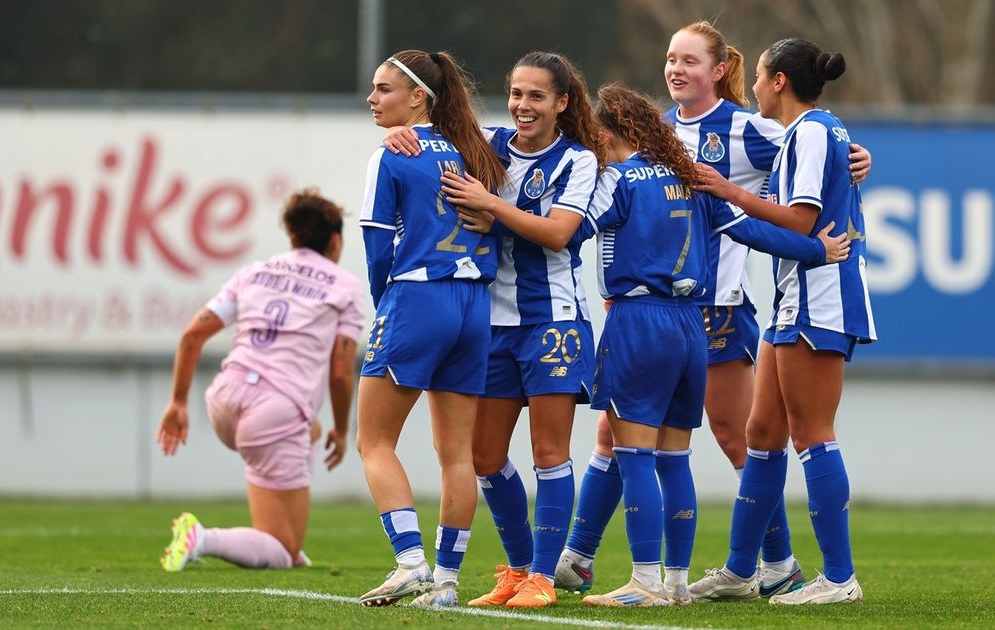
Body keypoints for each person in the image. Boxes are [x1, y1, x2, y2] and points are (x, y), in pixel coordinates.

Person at [556, 20, 872, 599]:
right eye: (671, 60)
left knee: (726, 435)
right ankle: (579, 556)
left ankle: (770, 563)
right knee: (624, 432)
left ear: (720, 69)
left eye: (690, 61)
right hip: (671, 311)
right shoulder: (660, 136)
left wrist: (856, 159)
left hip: (717, 306)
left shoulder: (752, 128)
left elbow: (819, 161)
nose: (676, 70)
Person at [387, 51, 604, 609]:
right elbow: (428, 133)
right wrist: (398, 137)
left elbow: (558, 234)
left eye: (536, 96)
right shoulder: (486, 142)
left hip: (553, 319)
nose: (522, 105)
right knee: (483, 454)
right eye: (515, 93)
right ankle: (517, 569)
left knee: (549, 452)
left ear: (562, 103)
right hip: (490, 321)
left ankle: (545, 578)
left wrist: (489, 204)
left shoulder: (577, 161)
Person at [686, 37, 876, 606]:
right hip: (794, 297)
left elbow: (799, 223)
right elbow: (789, 229)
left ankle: (839, 579)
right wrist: (727, 216)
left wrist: (728, 194)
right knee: (761, 435)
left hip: (822, 296)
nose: (752, 87)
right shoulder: (811, 133)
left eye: (759, 75)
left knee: (811, 434)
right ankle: (745, 571)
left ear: (779, 83)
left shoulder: (814, 131)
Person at [354, 49, 508, 609]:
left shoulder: (391, 155)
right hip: (473, 306)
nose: (372, 99)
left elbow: (377, 247)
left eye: (384, 89)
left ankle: (410, 563)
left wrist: (384, 303)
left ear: (419, 96)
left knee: (373, 440)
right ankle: (445, 583)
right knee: (456, 455)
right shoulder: (473, 149)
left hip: (418, 296)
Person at [156, 189, 364, 572]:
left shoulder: (255, 271)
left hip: (223, 398)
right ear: (335, 241)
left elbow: (191, 336)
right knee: (282, 551)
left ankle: (279, 534)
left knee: (308, 429)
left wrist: (178, 403)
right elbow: (340, 372)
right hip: (273, 412)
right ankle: (202, 537)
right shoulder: (344, 286)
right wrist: (340, 427)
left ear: (294, 236)